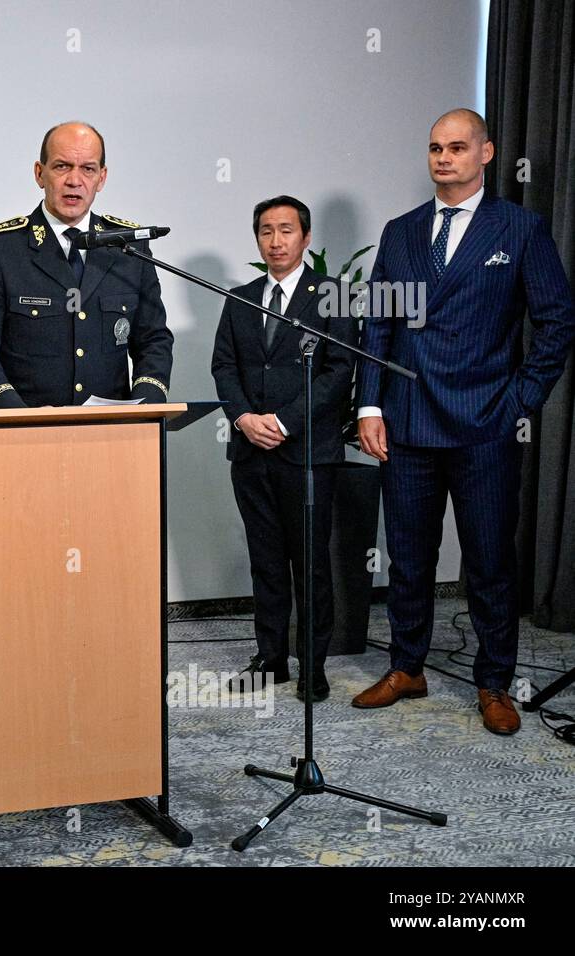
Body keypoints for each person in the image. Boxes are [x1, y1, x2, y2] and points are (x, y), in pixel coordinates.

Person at [353, 108, 575, 734]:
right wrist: (369, 406)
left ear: (486, 153)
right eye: (434, 148)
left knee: (488, 562)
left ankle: (495, 682)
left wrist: (520, 401)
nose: (443, 158)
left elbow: (556, 322)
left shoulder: (521, 228)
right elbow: (379, 325)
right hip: (409, 422)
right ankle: (407, 666)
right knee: (409, 558)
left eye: (456, 147)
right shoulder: (400, 232)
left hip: (485, 426)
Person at [211, 196, 357, 701]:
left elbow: (341, 372)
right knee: (266, 561)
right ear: (257, 239)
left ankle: (312, 665)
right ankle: (271, 659)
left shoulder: (332, 296)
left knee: (310, 563)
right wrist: (245, 419)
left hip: (308, 453)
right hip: (251, 454)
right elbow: (223, 368)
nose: (276, 241)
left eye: (286, 230)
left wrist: (283, 422)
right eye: (266, 231)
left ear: (306, 238)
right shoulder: (240, 297)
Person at [0, 121, 172, 409]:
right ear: (39, 173)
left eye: (88, 169)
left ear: (102, 178)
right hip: (24, 437)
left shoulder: (129, 249)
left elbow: (153, 339)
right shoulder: (1, 248)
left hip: (113, 436)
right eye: (62, 166)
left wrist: (145, 407)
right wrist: (16, 418)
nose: (74, 180)